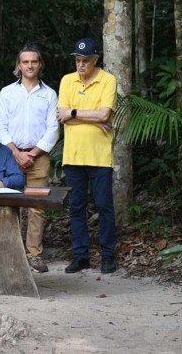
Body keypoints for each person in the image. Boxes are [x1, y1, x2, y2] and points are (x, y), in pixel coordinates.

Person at [0, 44, 59, 273]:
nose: (29, 65)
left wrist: (32, 153)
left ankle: (34, 255)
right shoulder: (7, 92)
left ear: (40, 64)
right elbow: (0, 126)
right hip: (9, 156)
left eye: (34, 61)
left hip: (38, 157)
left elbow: (53, 128)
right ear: (18, 65)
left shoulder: (49, 94)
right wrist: (15, 152)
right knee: (9, 204)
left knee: (36, 206)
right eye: (25, 62)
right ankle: (10, 252)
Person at [56, 38, 118, 274]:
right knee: (76, 207)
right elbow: (62, 115)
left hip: (100, 156)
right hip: (73, 156)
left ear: (95, 60)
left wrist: (74, 114)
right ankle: (81, 255)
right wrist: (89, 117)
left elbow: (104, 115)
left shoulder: (108, 80)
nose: (80, 65)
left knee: (104, 206)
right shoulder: (67, 80)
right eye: (77, 60)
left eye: (85, 61)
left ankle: (108, 256)